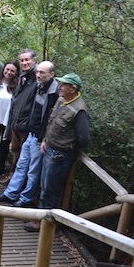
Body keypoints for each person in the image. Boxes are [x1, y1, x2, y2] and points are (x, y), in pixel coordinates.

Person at [24, 73, 90, 232]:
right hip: (49, 149)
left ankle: (43, 222)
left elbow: (84, 139)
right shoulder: (62, 100)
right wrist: (46, 140)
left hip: (60, 155)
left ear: (73, 88)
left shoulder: (79, 109)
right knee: (44, 184)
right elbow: (51, 121)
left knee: (50, 189)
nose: (59, 87)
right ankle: (41, 217)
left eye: (63, 85)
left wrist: (66, 146)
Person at [0, 61, 59, 207]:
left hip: (40, 138)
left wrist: (44, 139)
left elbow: (51, 120)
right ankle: (11, 194)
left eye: (42, 73)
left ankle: (26, 199)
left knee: (33, 171)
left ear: (52, 74)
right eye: (38, 72)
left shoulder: (54, 93)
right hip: (31, 133)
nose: (39, 75)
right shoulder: (39, 87)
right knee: (22, 165)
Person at [0, 48, 38, 186]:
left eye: (27, 59)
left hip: (26, 125)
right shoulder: (22, 76)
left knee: (24, 156)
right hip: (16, 122)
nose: (24, 62)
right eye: (22, 60)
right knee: (15, 151)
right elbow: (16, 100)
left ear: (34, 60)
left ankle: (19, 183)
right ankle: (12, 177)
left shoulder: (37, 78)